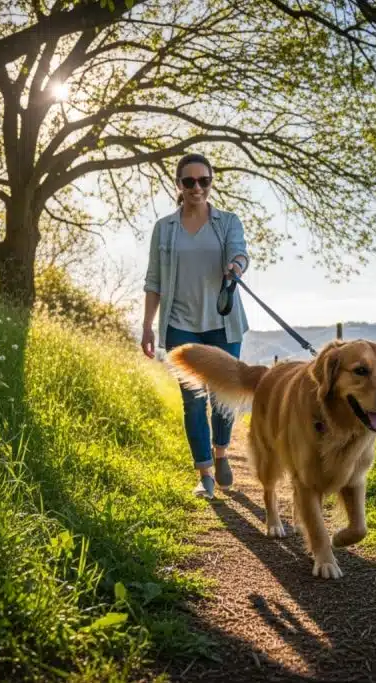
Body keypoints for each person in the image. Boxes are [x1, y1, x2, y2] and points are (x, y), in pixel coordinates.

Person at [141, 152, 250, 499]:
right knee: (192, 401)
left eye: (204, 180)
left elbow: (240, 252)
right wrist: (147, 325)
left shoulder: (227, 222)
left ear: (210, 183)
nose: (197, 187)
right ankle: (203, 473)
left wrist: (235, 265)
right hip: (180, 324)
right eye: (189, 181)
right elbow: (154, 280)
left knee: (222, 396)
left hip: (222, 322)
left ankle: (221, 454)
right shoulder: (165, 229)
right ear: (179, 185)